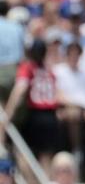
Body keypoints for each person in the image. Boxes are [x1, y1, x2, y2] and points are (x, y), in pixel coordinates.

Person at [3, 38, 60, 167]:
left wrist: (8, 115)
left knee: (23, 153)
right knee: (46, 157)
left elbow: (19, 90)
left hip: (36, 116)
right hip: (51, 117)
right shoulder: (49, 71)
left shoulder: (28, 68)